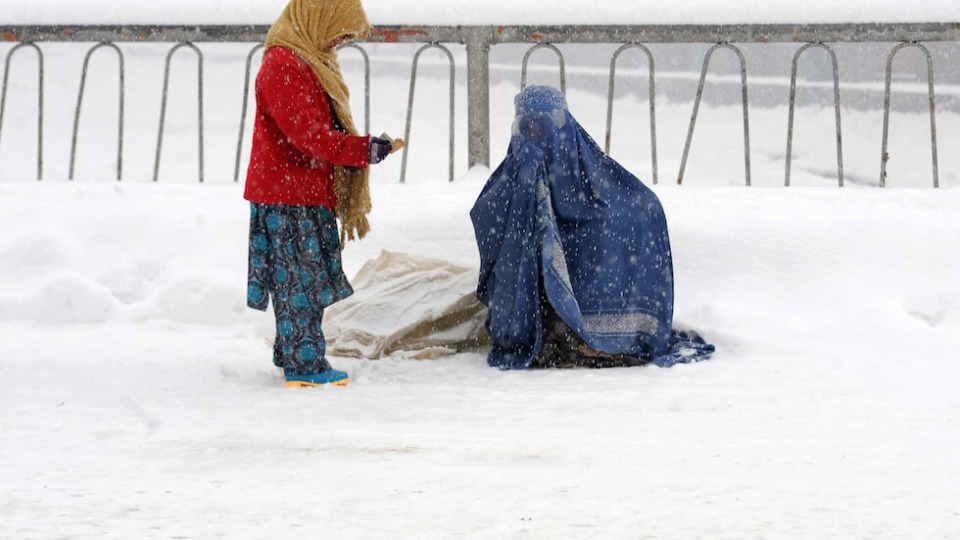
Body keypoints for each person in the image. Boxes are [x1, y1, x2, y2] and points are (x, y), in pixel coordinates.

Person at [470, 85, 714, 370]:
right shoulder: (512, 175)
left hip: (585, 303)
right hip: (537, 310)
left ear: (562, 125)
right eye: (529, 127)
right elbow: (488, 217)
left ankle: (608, 334)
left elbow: (637, 207)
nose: (536, 136)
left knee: (605, 232)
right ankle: (546, 332)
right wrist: (524, 203)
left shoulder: (591, 174)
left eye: (544, 126)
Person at [244, 0, 399, 387]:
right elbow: (308, 136)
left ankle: (292, 351)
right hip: (287, 195)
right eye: (337, 33)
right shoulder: (283, 66)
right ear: (316, 18)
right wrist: (360, 151)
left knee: (299, 278)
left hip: (303, 190)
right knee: (301, 281)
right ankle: (305, 365)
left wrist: (359, 149)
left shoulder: (308, 60)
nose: (336, 45)